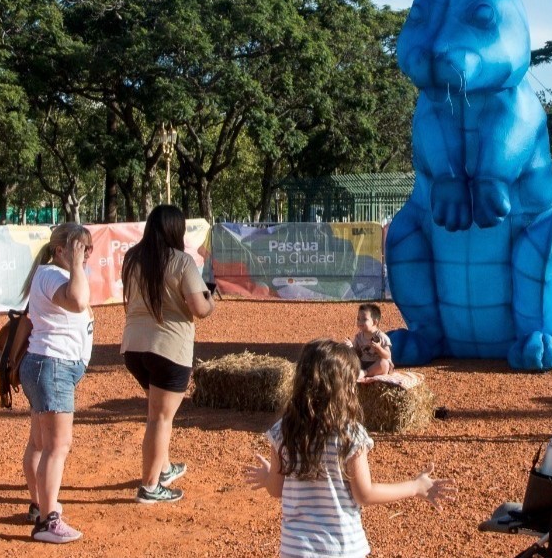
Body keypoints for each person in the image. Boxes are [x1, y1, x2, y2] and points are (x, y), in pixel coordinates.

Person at [244, 339, 457, 558]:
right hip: (342, 549)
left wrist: (268, 475)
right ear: (345, 388)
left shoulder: (284, 431)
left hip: (295, 550)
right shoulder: (349, 434)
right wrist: (415, 487)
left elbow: (276, 489)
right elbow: (364, 494)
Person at [121, 204, 215, 504]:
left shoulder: (132, 258)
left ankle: (163, 468)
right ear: (176, 230)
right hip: (169, 349)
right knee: (159, 418)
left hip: (134, 347)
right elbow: (200, 309)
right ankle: (150, 487)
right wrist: (211, 300)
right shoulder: (182, 261)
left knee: (157, 414)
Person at [19, 222, 94, 544]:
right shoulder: (52, 274)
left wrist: (77, 264)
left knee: (40, 442)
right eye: (80, 247)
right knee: (56, 447)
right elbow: (77, 302)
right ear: (60, 250)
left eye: (89, 248)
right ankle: (48, 521)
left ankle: (39, 506)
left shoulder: (54, 273)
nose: (87, 253)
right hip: (52, 367)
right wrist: (77, 265)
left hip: (49, 366)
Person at [350, 303, 394, 378]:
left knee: (384, 363)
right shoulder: (358, 337)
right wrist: (351, 348)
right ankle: (362, 372)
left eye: (364, 319)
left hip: (377, 364)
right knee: (349, 361)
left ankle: (365, 373)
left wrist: (379, 349)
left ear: (374, 322)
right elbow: (357, 354)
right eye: (358, 319)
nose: (360, 322)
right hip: (363, 363)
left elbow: (387, 356)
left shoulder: (382, 337)